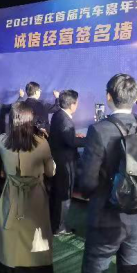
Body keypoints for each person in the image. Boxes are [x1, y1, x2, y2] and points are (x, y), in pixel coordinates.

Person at [80, 74, 137, 273]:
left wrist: (89, 194)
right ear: (135, 98)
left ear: (108, 97)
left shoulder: (98, 130)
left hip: (106, 214)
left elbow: (88, 180)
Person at [0, 102, 56, 273]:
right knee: (39, 244)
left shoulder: (2, 141)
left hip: (11, 196)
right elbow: (51, 172)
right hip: (35, 198)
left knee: (8, 247)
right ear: (30, 120)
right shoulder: (41, 143)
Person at [49, 90, 86, 235]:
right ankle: (59, 227)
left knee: (56, 193)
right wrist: (88, 140)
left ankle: (54, 223)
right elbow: (71, 142)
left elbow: (64, 136)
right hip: (65, 163)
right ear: (72, 105)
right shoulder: (65, 120)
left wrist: (73, 135)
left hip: (58, 159)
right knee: (64, 195)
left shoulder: (58, 114)